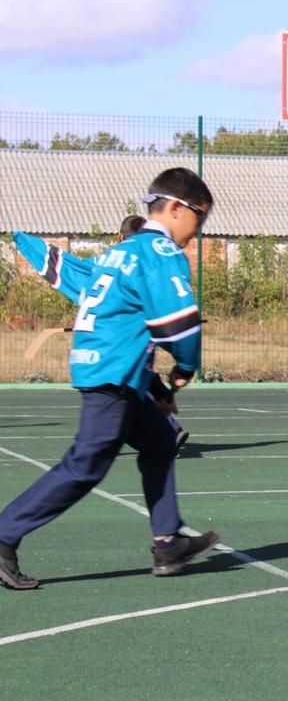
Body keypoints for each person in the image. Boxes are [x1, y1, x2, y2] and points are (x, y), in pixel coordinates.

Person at [0, 168, 220, 590]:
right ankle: (5, 532)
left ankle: (168, 540)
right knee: (85, 466)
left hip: (105, 366)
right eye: (199, 219)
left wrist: (155, 388)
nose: (197, 232)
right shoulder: (160, 251)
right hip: (112, 373)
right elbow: (180, 326)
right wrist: (186, 369)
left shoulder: (118, 252)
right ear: (176, 208)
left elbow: (124, 317)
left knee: (160, 441)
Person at [12, 215, 190, 449]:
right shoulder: (148, 263)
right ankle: (167, 431)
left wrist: (21, 238)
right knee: (140, 379)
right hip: (133, 340)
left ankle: (164, 433)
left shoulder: (106, 263)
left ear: (120, 237)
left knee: (125, 393)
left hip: (109, 346)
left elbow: (72, 270)